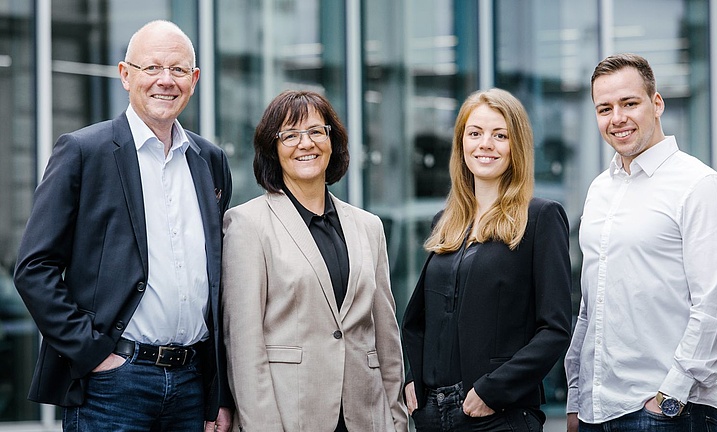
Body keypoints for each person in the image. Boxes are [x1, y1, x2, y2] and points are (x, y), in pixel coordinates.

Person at [13, 20, 233, 432]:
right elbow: (34, 268)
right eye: (151, 68)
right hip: (112, 385)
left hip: (190, 385)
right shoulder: (83, 152)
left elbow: (217, 284)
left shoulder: (210, 161)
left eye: (178, 70)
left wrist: (216, 391)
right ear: (125, 74)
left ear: (195, 79)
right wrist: (93, 352)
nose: (165, 81)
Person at [564, 53, 717, 432]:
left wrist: (669, 397)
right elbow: (589, 306)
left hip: (668, 413)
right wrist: (576, 397)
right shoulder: (599, 191)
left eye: (630, 103)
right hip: (596, 413)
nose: (617, 118)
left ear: (656, 103)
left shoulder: (700, 186)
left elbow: (715, 309)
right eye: (604, 108)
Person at [221, 89, 408, 432]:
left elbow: (385, 335)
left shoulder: (368, 227)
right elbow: (244, 348)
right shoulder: (248, 224)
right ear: (272, 149)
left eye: (315, 132)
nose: (305, 143)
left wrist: (396, 419)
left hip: (366, 417)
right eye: (290, 135)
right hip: (291, 417)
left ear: (331, 141)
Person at [401, 88, 573, 432]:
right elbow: (422, 318)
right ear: (461, 143)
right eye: (475, 133)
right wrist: (412, 379)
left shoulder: (540, 218)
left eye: (500, 135)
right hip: (432, 414)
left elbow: (555, 329)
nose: (485, 144)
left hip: (498, 414)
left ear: (517, 146)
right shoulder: (445, 221)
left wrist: (492, 391)